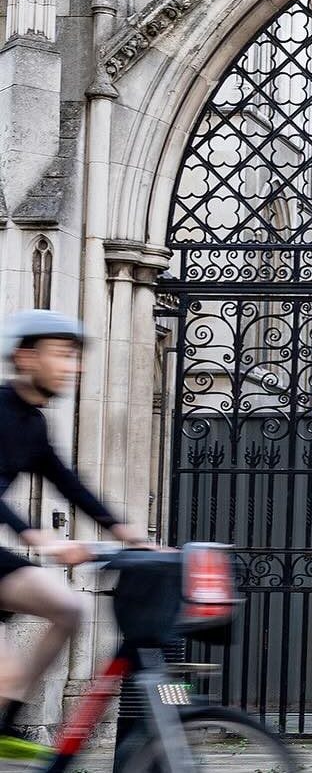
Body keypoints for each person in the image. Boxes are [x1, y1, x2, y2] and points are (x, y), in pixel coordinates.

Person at [0, 311, 149, 750]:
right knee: (5, 670)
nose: (75, 366)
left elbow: (67, 482)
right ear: (26, 358)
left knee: (66, 607)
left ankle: (6, 725)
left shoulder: (33, 423)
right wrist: (37, 536)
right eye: (63, 355)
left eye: (75, 357)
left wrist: (127, 532)